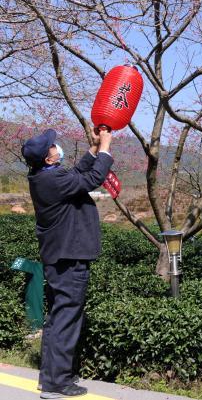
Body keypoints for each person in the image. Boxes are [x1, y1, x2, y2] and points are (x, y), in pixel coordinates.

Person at [22, 127, 113, 399]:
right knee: (67, 318)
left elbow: (75, 173)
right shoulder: (52, 180)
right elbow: (93, 177)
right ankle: (57, 384)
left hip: (59, 257)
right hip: (70, 258)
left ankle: (49, 378)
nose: (57, 147)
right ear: (49, 159)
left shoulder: (44, 176)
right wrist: (106, 147)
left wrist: (93, 149)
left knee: (57, 318)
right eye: (53, 147)